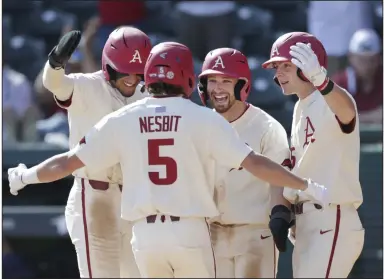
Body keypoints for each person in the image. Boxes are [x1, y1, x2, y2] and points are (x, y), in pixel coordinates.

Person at [8, 42, 327, 278]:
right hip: (191, 232)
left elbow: (66, 163)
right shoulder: (203, 119)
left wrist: (25, 176)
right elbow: (256, 163)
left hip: (146, 237)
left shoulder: (123, 118)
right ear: (189, 78)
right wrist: (304, 184)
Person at [38, 26, 152, 278]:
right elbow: (54, 83)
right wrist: (56, 62)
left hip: (133, 200)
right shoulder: (86, 85)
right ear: (110, 66)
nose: (132, 78)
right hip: (94, 197)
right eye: (125, 71)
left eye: (138, 72)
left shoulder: (147, 95)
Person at [262, 31, 364, 278]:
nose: (278, 74)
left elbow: (347, 113)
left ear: (307, 67)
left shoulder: (329, 98)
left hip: (331, 216)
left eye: (286, 66)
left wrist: (321, 79)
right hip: (308, 222)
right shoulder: (300, 106)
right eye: (276, 67)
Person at [197, 47, 293, 278]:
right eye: (212, 81)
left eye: (226, 81)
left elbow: (279, 176)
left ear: (242, 85)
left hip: (254, 234)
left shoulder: (266, 127)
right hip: (210, 233)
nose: (218, 88)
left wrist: (280, 213)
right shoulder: (197, 125)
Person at [333, 29, 383, 124]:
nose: (367, 66)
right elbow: (334, 117)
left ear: (379, 59)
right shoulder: (340, 83)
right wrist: (371, 117)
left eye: (372, 60)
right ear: (351, 57)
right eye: (361, 60)